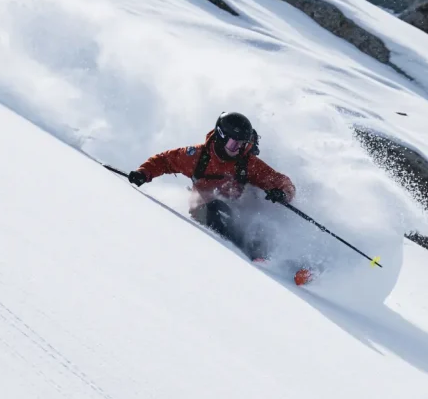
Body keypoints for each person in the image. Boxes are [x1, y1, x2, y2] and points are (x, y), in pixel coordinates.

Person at [127, 112, 311, 285]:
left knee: (256, 225)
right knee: (217, 210)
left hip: (236, 210)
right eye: (233, 144)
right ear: (221, 137)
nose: (238, 149)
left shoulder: (246, 162)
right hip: (203, 209)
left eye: (243, 145)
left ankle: (287, 265)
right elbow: (165, 160)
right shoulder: (197, 156)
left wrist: (282, 192)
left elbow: (281, 181)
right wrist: (144, 173)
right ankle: (245, 257)